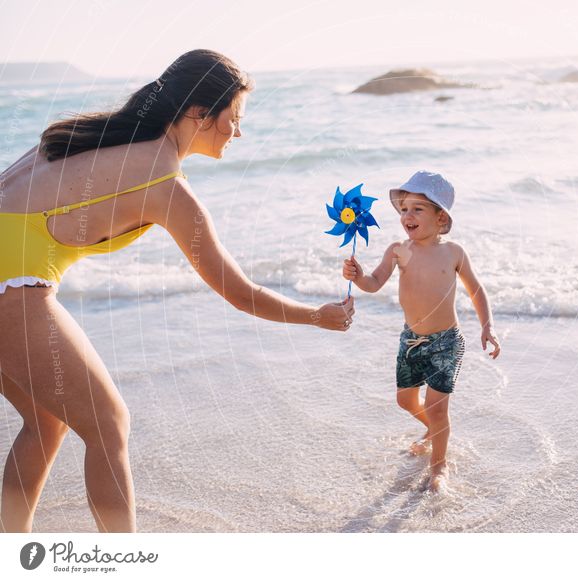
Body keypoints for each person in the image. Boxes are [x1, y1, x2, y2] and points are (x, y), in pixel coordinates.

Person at [0, 49, 355, 533]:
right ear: (198, 114)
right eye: (235, 118)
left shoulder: (81, 137)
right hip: (13, 288)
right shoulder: (165, 184)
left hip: (10, 282)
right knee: (108, 426)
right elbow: (239, 292)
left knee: (47, 422)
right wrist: (316, 316)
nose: (239, 132)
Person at [342, 171, 500, 492]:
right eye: (403, 209)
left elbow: (476, 290)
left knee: (437, 407)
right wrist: (357, 276)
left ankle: (438, 468)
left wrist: (487, 326)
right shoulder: (398, 250)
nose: (407, 216)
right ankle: (436, 431)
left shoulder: (453, 252)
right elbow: (374, 283)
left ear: (440, 216)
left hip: (446, 342)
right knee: (404, 400)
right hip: (411, 341)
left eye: (417, 209)